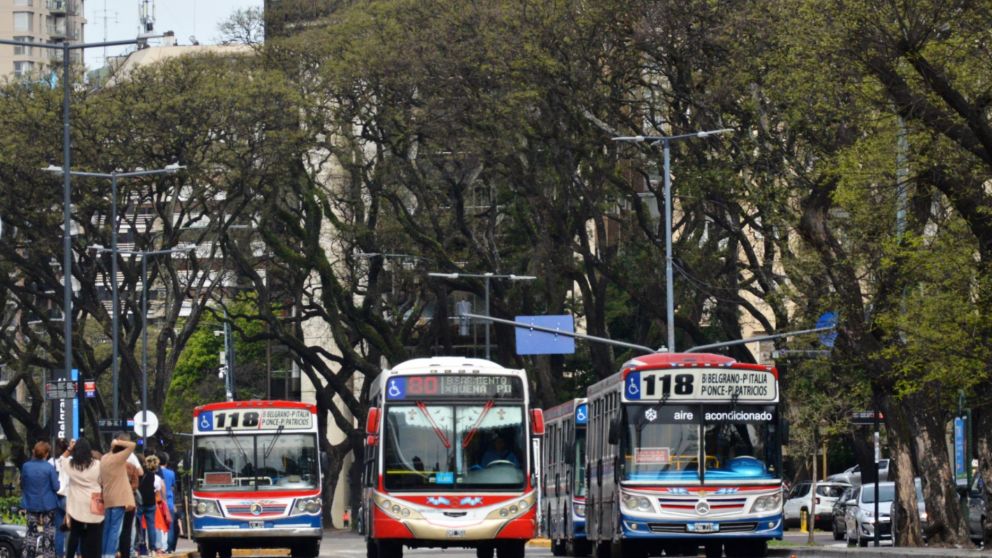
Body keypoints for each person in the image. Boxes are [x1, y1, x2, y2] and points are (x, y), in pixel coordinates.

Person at [60, 439, 103, 558]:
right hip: (95, 500)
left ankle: (70, 555)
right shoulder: (97, 465)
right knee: (94, 533)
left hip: (76, 503)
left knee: (75, 533)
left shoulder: (71, 465)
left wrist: (69, 448)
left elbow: (61, 460)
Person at [21, 441, 60, 558]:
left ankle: (29, 554)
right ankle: (48, 555)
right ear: (46, 454)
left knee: (31, 534)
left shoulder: (26, 466)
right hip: (48, 505)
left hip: (31, 504)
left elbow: (23, 484)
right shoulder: (49, 468)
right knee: (49, 535)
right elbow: (56, 487)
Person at [99, 434, 135, 558]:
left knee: (107, 529)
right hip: (120, 499)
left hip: (108, 498)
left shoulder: (104, 458)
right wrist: (118, 442)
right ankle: (109, 554)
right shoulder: (118, 458)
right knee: (115, 529)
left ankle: (103, 553)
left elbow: (100, 480)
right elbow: (132, 446)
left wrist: (113, 444)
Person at [137, 455, 167, 556]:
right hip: (151, 502)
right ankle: (152, 548)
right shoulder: (154, 476)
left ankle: (141, 545)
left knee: (139, 524)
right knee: (151, 526)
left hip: (140, 502)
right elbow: (158, 489)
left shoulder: (138, 474)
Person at [48, 439, 69, 558]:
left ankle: (59, 555)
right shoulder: (71, 461)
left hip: (56, 497)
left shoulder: (51, 462)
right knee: (75, 529)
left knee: (59, 531)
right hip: (69, 497)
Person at [118, 458, 141, 558]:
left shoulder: (114, 466)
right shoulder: (132, 466)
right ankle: (128, 551)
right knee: (129, 529)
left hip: (117, 500)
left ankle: (116, 550)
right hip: (130, 501)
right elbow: (136, 484)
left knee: (117, 528)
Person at [155, 453, 177, 553]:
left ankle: (159, 546)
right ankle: (169, 547)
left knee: (159, 525)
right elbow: (173, 487)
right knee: (170, 525)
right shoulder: (171, 473)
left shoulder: (155, 473)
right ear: (167, 461)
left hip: (159, 502)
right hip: (169, 501)